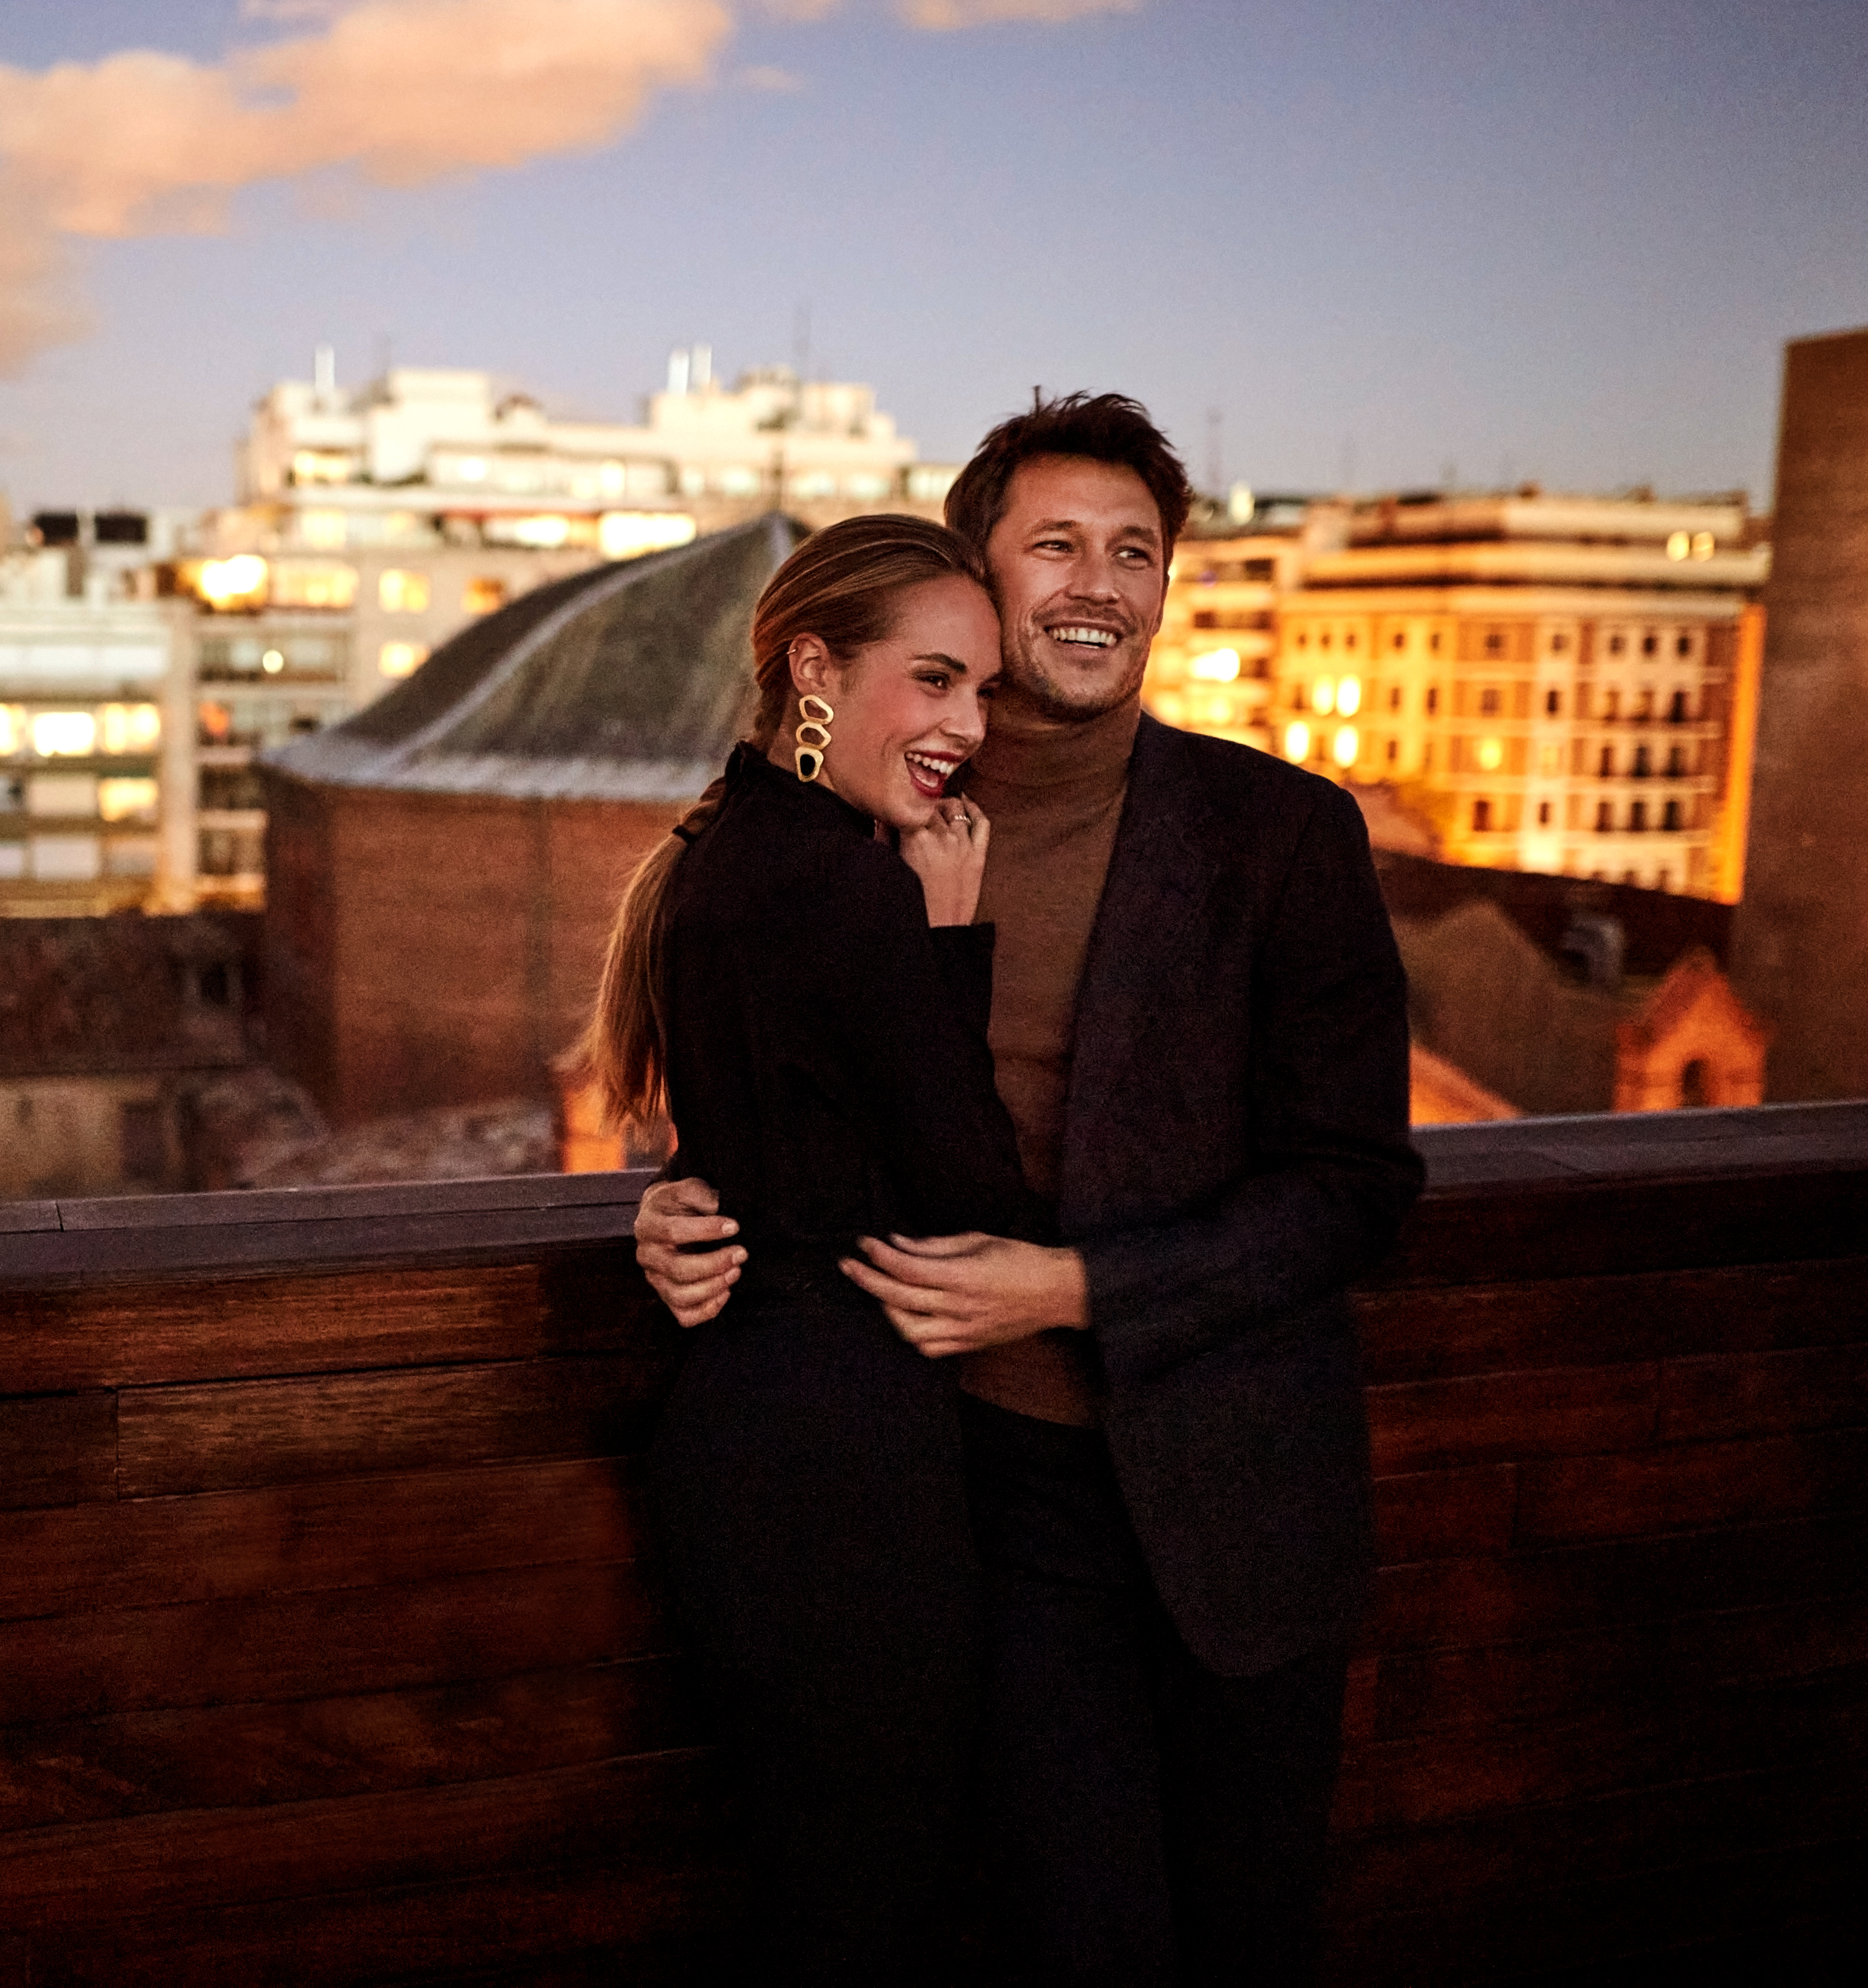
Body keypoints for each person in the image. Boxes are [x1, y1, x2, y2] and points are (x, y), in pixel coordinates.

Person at [635, 394, 1424, 1984]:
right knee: (1079, 1938)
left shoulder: (1281, 833)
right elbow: (785, 1098)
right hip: (988, 1491)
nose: (1100, 583)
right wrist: (677, 1206)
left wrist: (1082, 1288)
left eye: (1136, 552)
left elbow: (1357, 1189)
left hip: (1238, 1496)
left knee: (1249, 1934)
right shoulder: (868, 834)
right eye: (1055, 544)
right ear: (975, 578)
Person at [580, 514, 1029, 1984]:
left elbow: (774, 1143)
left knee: (814, 1877)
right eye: (938, 681)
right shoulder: (849, 886)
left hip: (747, 1432)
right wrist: (951, 939)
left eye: (982, 693)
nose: (966, 725)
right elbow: (972, 1192)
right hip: (841, 1462)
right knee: (870, 1896)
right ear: (815, 669)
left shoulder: (721, 851)